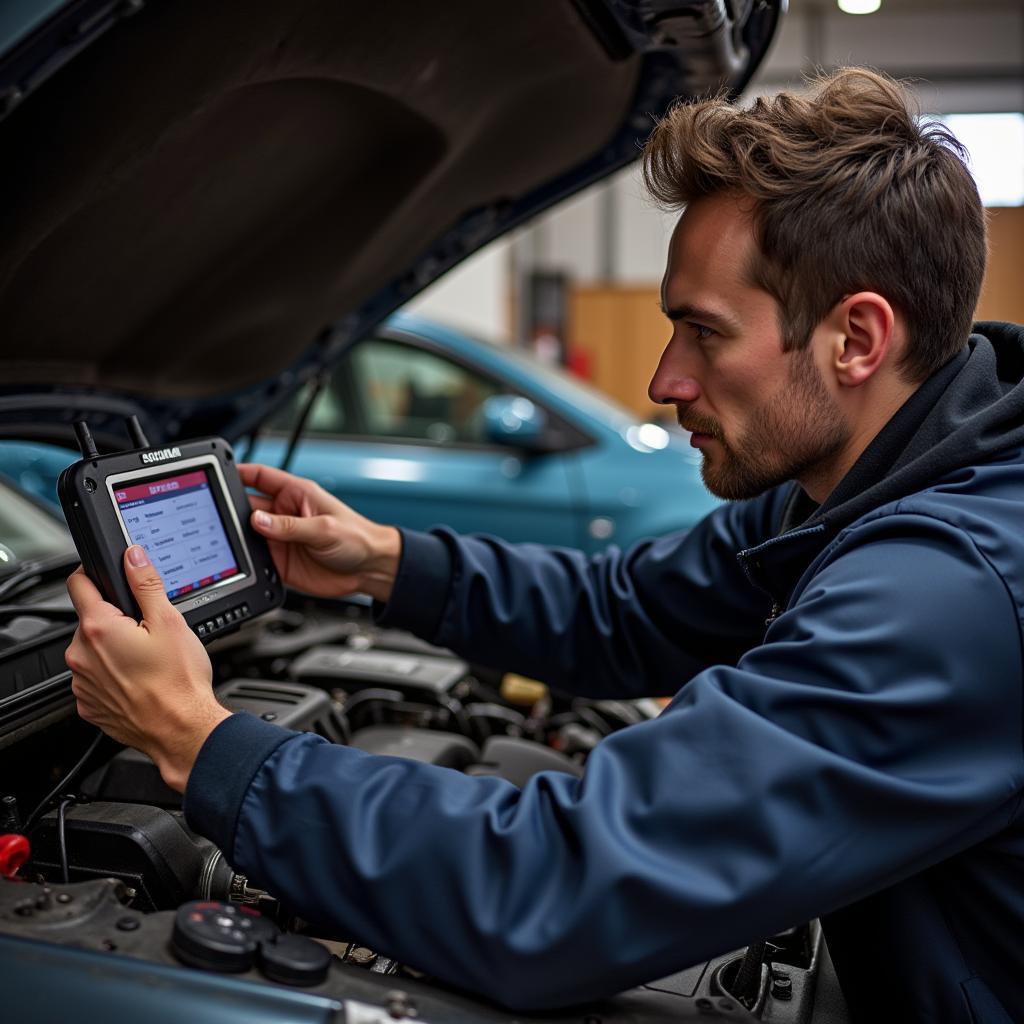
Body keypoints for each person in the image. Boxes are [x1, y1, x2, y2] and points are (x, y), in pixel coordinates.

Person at [64, 68, 1024, 1022]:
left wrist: (200, 740)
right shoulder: (863, 488)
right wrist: (383, 561)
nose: (663, 379)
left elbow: (555, 889)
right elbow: (631, 609)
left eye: (703, 333)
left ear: (856, 339)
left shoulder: (948, 591)